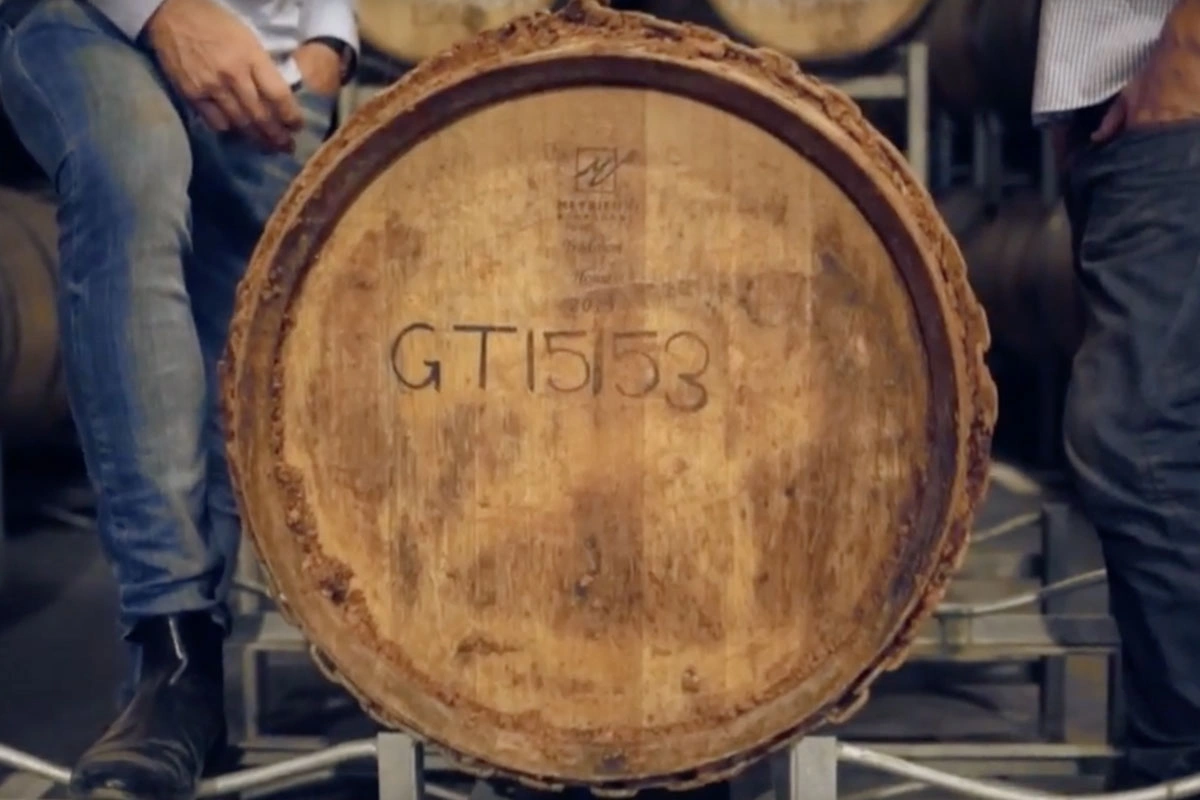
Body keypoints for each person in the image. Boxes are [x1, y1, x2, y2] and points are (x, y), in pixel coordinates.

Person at [0, 0, 357, 796]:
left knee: (244, 337)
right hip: (81, 17)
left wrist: (332, 36)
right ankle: (173, 650)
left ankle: (185, 695)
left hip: (275, 62)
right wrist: (160, 12)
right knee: (134, 172)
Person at [1034, 0, 1200, 790]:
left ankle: (1181, 762)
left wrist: (1191, 47)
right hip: (1118, 108)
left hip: (1175, 104)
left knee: (1138, 441)